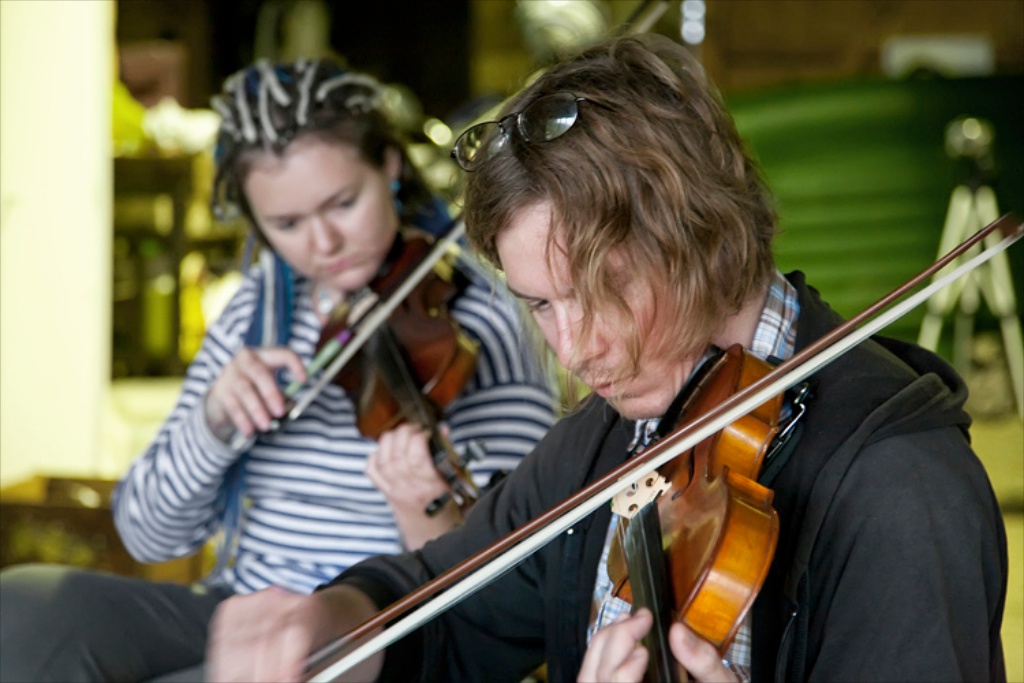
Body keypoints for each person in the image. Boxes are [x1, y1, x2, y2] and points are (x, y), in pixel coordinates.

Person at [203, 34, 1009, 683]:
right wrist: (333, 620)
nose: (576, 350)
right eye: (542, 303)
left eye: (605, 287)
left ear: (706, 235)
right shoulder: (616, 436)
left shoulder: (903, 489)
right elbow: (444, 609)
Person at [0, 58, 556, 682]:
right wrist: (211, 422)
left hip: (375, 628)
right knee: (22, 610)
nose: (322, 243)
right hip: (238, 606)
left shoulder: (473, 317)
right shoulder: (257, 313)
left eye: (342, 203)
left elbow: (506, 586)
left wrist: (423, 506)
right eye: (287, 224)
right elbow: (147, 537)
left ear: (391, 167)